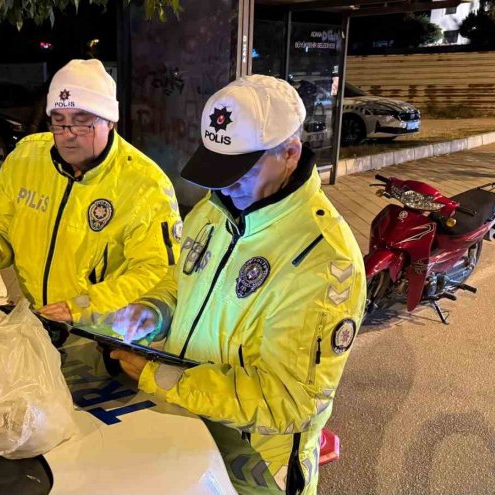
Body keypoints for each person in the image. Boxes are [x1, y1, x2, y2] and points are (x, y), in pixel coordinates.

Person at [109, 75, 366, 495]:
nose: (223, 185)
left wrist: (166, 380)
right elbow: (182, 283)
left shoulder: (324, 260)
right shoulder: (214, 211)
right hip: (188, 433)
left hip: (256, 468)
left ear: (290, 153)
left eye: (239, 170)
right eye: (215, 168)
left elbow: (290, 401)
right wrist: (152, 311)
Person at [0, 59, 182, 324]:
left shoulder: (145, 185)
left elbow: (156, 274)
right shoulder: (25, 160)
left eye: (81, 122)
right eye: (59, 121)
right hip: (36, 321)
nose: (68, 134)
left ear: (110, 121)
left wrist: (82, 307)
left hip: (100, 334)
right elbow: (5, 224)